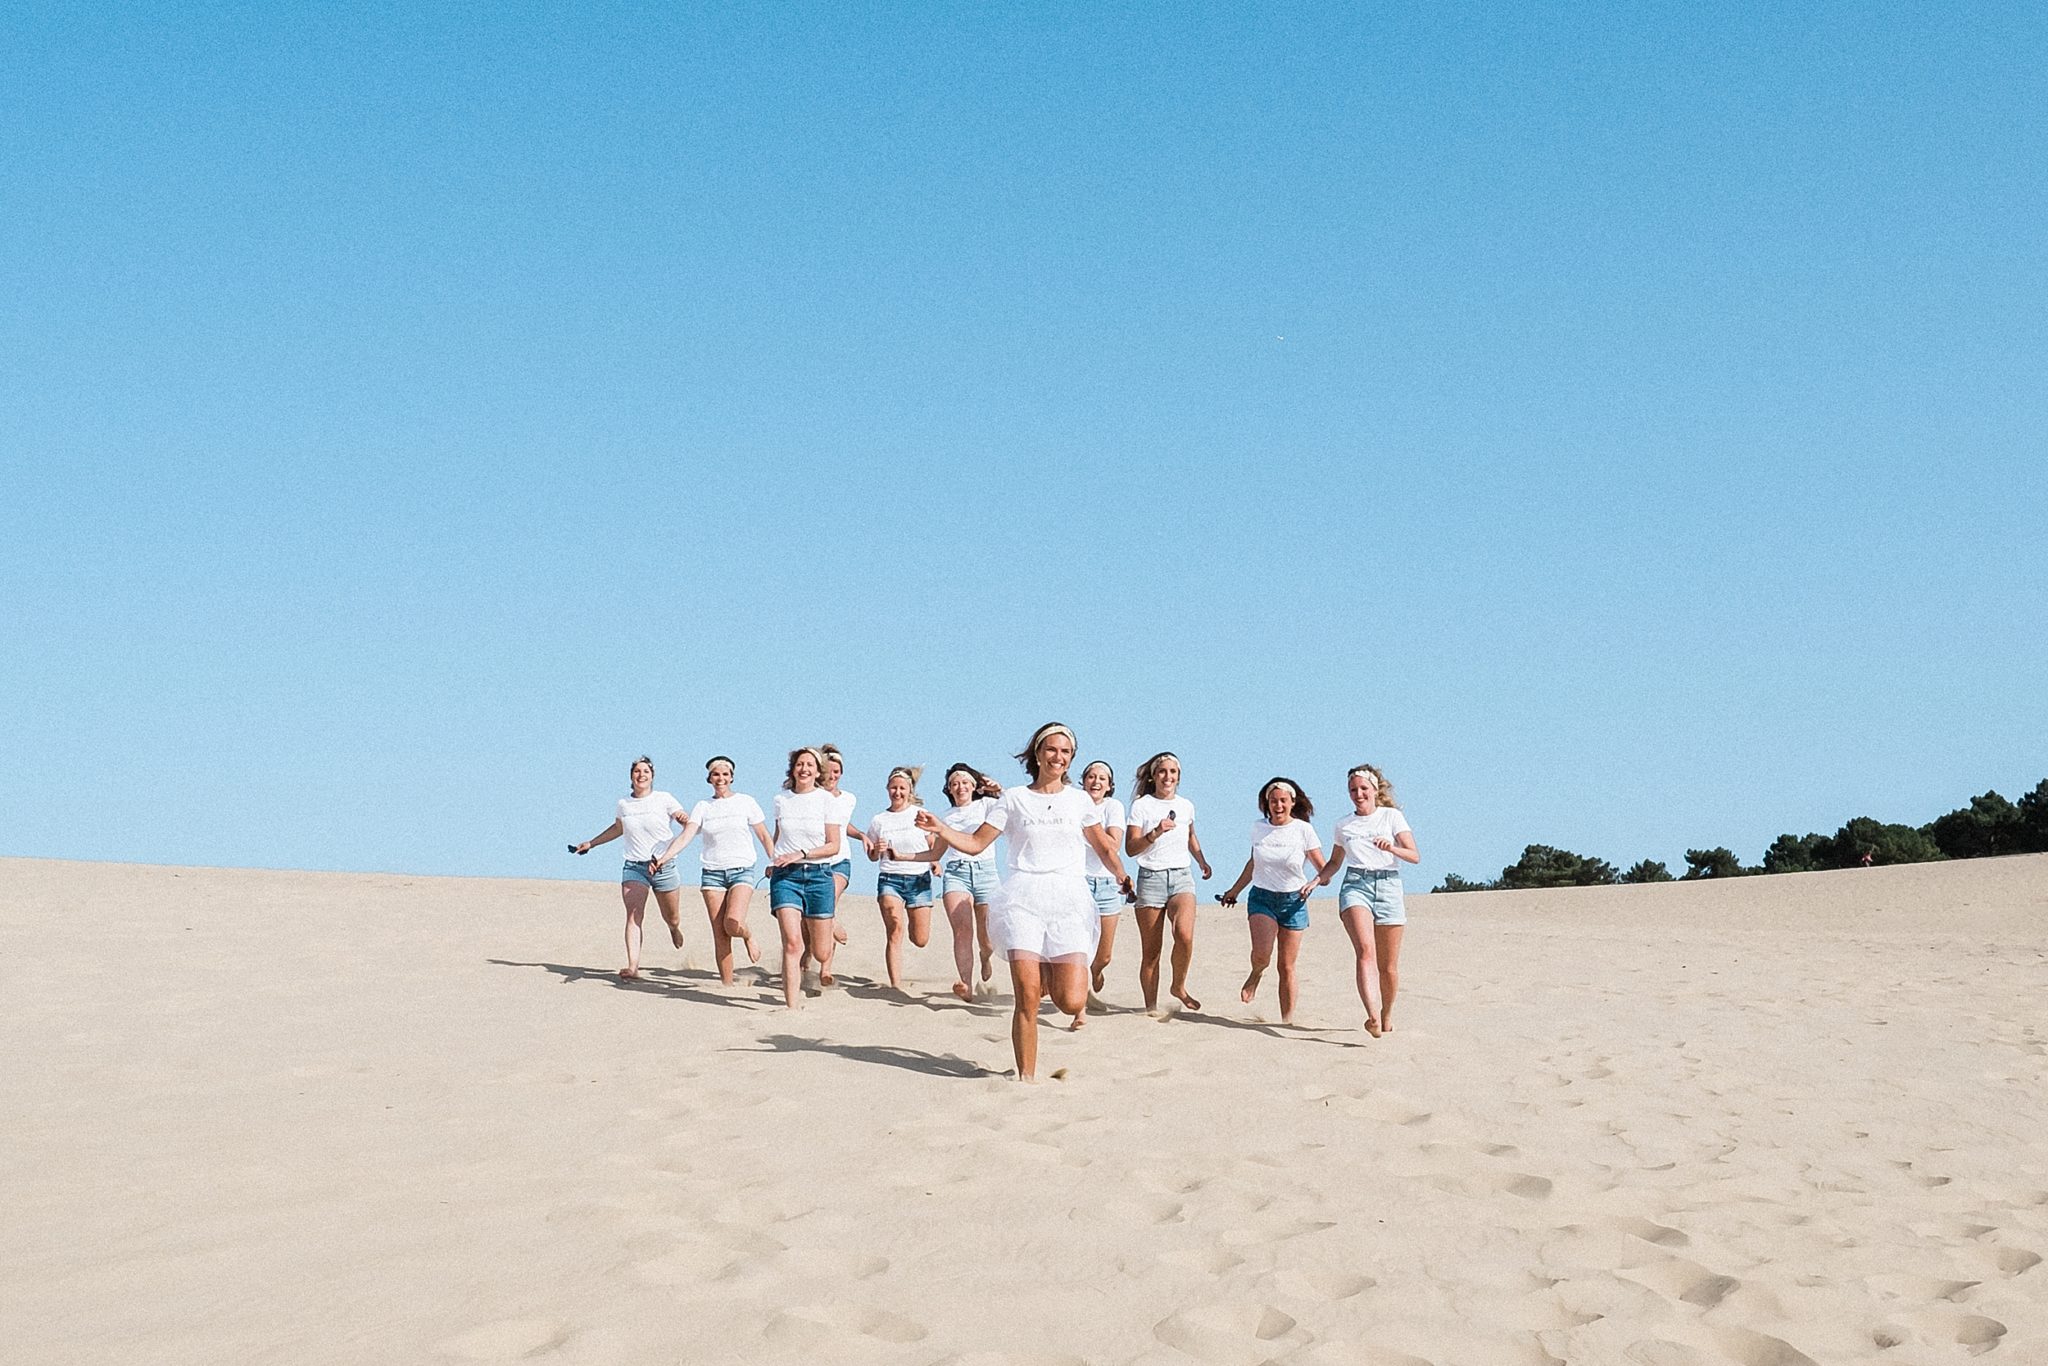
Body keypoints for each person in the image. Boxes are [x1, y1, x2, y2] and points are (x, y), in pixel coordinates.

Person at [916, 723, 1133, 1080]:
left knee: (1071, 1000)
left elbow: (1103, 846)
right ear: (1037, 752)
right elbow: (975, 843)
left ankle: (1050, 970)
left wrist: (1121, 874)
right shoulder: (1014, 798)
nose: (1058, 757)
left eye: (1065, 752)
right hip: (1023, 899)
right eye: (1051, 749)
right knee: (1028, 996)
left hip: (1068, 898)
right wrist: (941, 828)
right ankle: (1026, 1079)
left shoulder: (1079, 800)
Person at [1305, 763, 1419, 1035]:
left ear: (1375, 789)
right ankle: (1371, 1016)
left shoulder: (1391, 817)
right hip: (1356, 884)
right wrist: (1316, 880)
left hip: (1389, 885)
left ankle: (1386, 1012)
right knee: (1365, 951)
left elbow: (1414, 855)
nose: (1358, 794)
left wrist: (1391, 847)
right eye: (1353, 790)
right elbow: (1334, 862)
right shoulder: (1344, 825)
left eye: (1363, 789)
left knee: (1388, 966)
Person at [1218, 778, 1329, 1025]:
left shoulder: (1303, 830)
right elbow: (1253, 863)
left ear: (1292, 802)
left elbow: (1325, 870)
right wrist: (1234, 891)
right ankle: (1256, 973)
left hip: (1295, 901)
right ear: (1266, 803)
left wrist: (1314, 882)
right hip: (1262, 897)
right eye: (1273, 801)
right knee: (1262, 955)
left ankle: (1287, 1022)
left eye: (1282, 801)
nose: (1278, 805)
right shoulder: (1259, 828)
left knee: (1286, 966)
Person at [568, 756, 689, 979]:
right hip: (634, 866)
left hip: (663, 865)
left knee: (671, 916)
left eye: (645, 771)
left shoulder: (664, 799)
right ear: (631, 776)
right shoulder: (624, 803)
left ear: (652, 776)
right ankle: (633, 966)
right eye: (637, 771)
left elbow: (684, 821)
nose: (641, 775)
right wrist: (591, 843)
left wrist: (682, 817)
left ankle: (673, 929)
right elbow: (617, 828)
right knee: (634, 914)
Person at [657, 756, 771, 986]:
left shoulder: (746, 802)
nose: (721, 778)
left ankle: (747, 935)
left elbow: (763, 835)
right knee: (720, 933)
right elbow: (687, 834)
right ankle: (727, 985)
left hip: (742, 869)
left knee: (732, 921)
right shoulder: (703, 806)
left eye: (725, 774)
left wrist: (776, 861)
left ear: (732, 777)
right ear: (709, 778)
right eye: (716, 774)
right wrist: (665, 857)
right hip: (712, 873)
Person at [1126, 751, 1213, 1013]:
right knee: (1152, 953)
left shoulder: (1186, 805)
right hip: (1150, 878)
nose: (1168, 776)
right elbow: (1131, 848)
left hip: (1181, 876)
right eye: (1162, 771)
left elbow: (1191, 836)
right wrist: (1156, 832)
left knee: (1184, 935)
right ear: (1153, 776)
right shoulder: (1142, 806)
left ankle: (1178, 986)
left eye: (1173, 772)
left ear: (1179, 776)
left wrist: (1201, 860)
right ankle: (1151, 1007)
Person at [764, 747, 845, 1008]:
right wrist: (773, 859)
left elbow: (833, 845)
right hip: (785, 877)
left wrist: (802, 853)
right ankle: (792, 1006)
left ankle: (829, 925)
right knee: (792, 943)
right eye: (800, 764)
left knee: (821, 953)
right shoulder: (781, 800)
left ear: (817, 771)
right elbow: (779, 837)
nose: (804, 769)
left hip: (819, 876)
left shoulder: (826, 800)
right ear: (793, 768)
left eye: (810, 765)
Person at [933, 763, 1004, 1000]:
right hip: (956, 872)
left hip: (985, 872)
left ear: (974, 786)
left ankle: (985, 956)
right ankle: (965, 983)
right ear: (949, 790)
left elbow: (1013, 810)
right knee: (962, 930)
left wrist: (999, 789)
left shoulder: (987, 805)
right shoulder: (946, 817)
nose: (959, 787)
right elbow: (936, 850)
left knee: (987, 936)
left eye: (964, 782)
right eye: (954, 784)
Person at [863, 765, 935, 991]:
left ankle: (913, 940)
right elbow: (873, 856)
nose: (897, 792)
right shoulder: (879, 820)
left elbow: (933, 844)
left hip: (919, 880)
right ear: (887, 789)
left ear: (910, 790)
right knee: (895, 928)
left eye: (902, 788)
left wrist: (935, 862)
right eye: (893, 788)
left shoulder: (919, 816)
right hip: (890, 879)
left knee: (920, 939)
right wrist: (876, 849)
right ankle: (896, 984)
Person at [1079, 760, 1128, 1027]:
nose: (1096, 782)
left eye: (1102, 778)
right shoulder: (1074, 803)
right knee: (1081, 946)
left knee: (1104, 954)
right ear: (1083, 780)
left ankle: (1096, 971)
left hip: (1108, 883)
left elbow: (1113, 844)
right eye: (1091, 776)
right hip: (1079, 880)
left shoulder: (1113, 807)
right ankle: (1082, 998)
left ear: (1109, 786)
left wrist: (1089, 828)